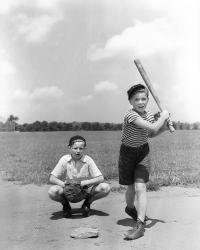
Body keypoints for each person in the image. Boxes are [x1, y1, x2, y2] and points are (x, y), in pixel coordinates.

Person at [118, 84, 170, 240]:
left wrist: (165, 127)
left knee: (141, 187)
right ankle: (130, 208)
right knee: (131, 188)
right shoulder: (131, 116)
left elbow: (152, 133)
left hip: (143, 152)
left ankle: (140, 224)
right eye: (136, 99)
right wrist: (163, 116)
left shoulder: (148, 114)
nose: (141, 102)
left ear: (148, 99)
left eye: (144, 99)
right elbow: (153, 125)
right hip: (127, 153)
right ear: (130, 101)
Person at [48, 135, 110, 218]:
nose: (78, 151)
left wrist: (85, 183)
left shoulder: (88, 160)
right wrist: (65, 185)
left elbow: (100, 178)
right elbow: (52, 178)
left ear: (84, 148)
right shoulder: (64, 159)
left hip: (84, 190)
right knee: (52, 191)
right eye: (75, 148)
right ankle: (66, 205)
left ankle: (87, 203)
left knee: (105, 188)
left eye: (81, 148)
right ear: (69, 148)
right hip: (68, 190)